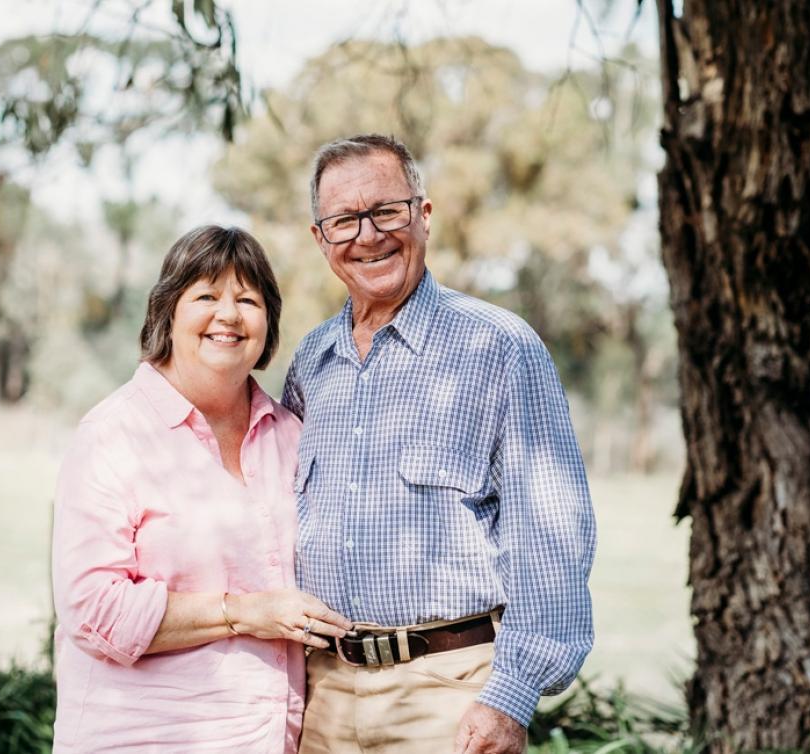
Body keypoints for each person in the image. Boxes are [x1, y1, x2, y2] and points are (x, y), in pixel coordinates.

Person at [282, 134, 597, 754]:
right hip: (324, 696)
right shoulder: (310, 363)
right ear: (321, 239)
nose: (367, 235)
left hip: (449, 698)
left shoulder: (500, 348)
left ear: (423, 215)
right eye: (344, 220)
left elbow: (550, 535)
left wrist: (509, 697)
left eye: (387, 211)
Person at [51, 225, 352, 753]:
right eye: (207, 296)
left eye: (248, 299)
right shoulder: (113, 434)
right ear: (168, 312)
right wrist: (242, 611)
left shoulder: (293, 437)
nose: (229, 315)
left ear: (268, 321)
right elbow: (93, 610)